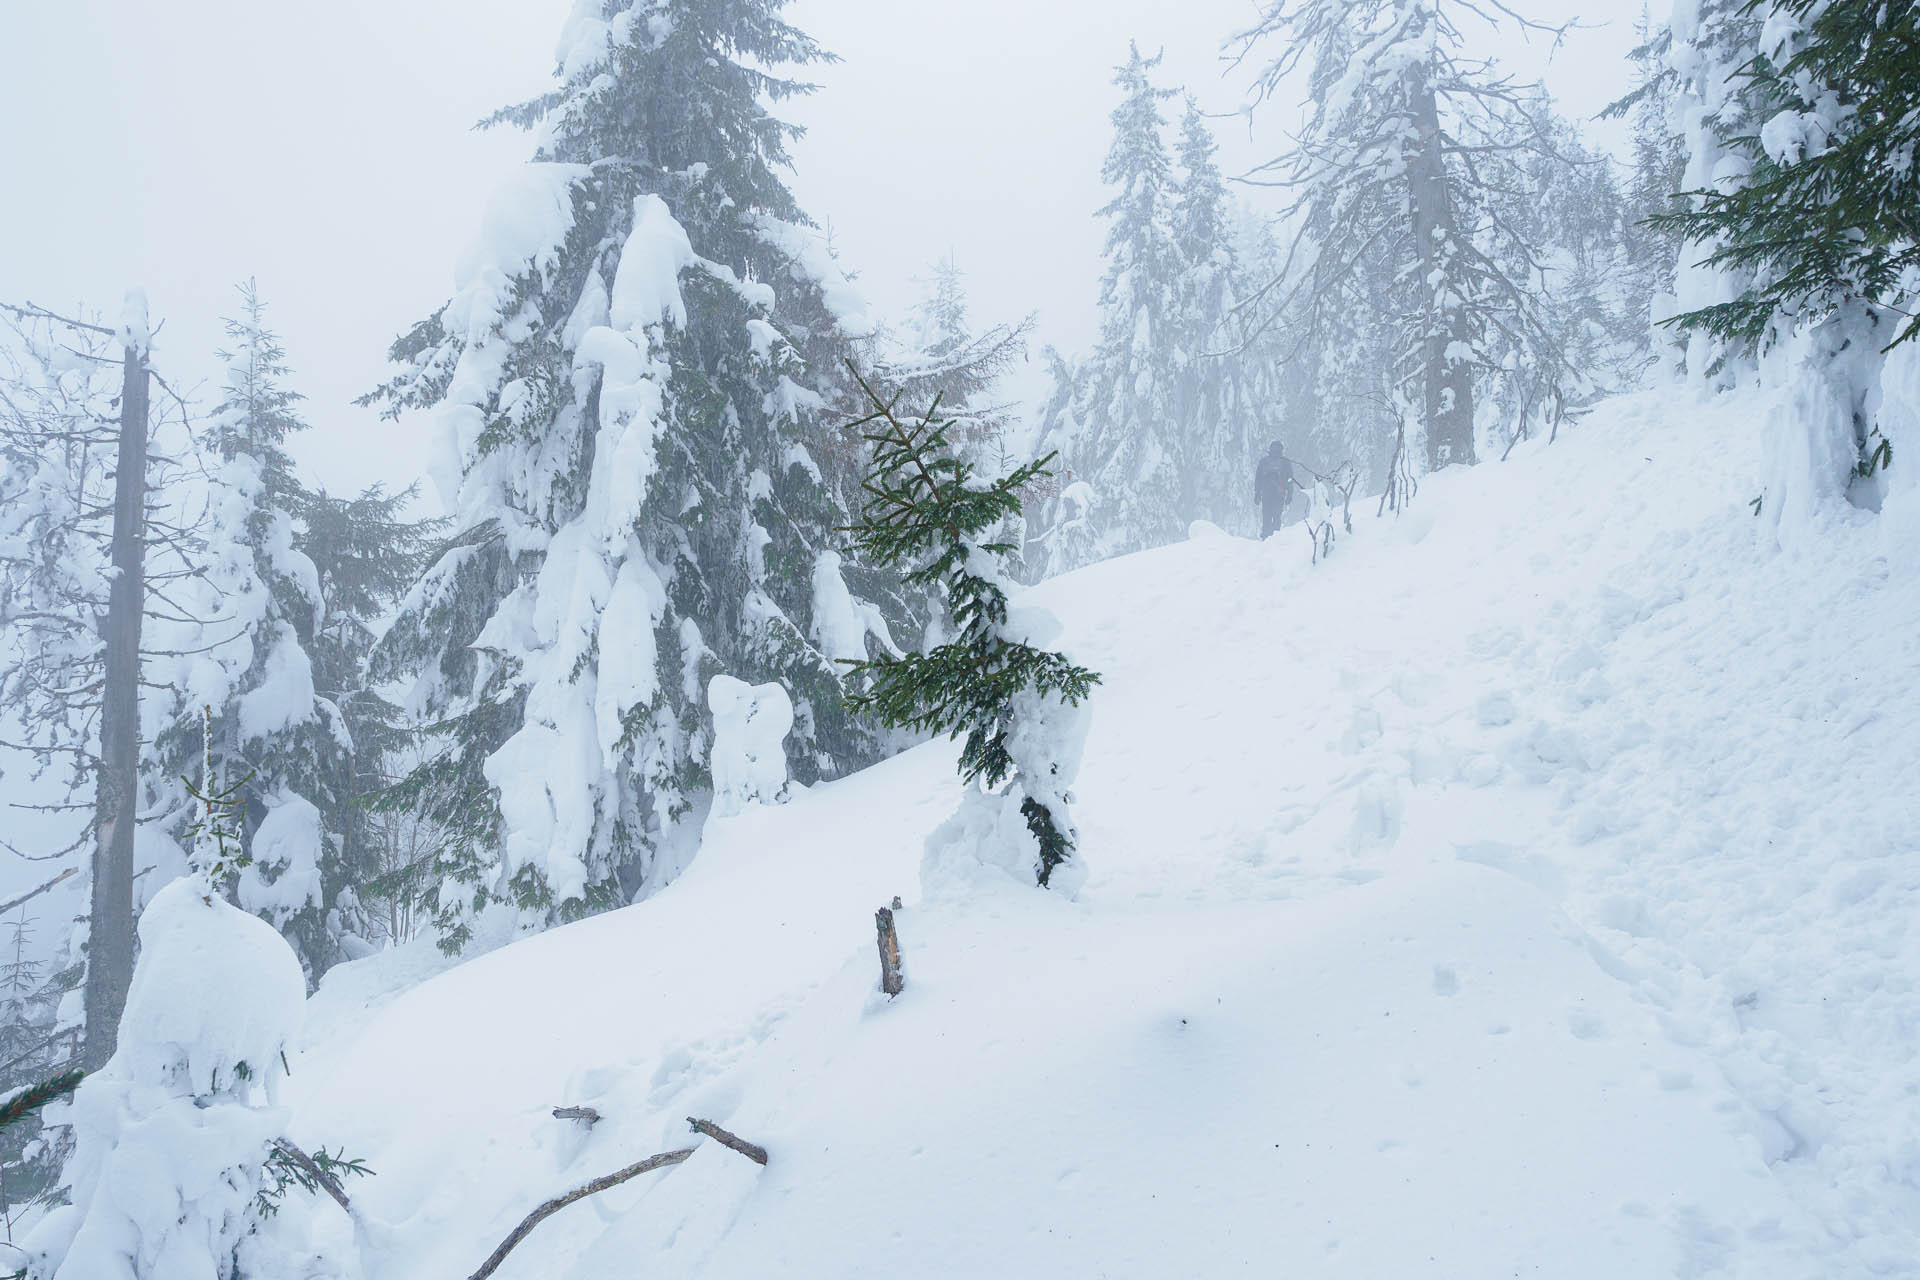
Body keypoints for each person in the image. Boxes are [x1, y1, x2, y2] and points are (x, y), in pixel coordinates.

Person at [1254, 440, 1303, 537]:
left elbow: (1258, 479)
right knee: (1276, 516)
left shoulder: (1264, 461)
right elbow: (1290, 479)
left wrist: (1257, 493)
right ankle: (1274, 537)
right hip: (1279, 493)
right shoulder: (1285, 462)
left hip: (1267, 493)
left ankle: (1266, 536)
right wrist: (1289, 494)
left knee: (1267, 515)